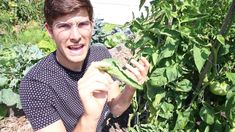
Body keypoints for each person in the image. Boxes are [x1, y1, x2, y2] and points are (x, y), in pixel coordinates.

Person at [19, 0, 149, 132]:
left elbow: (116, 109)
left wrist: (131, 86)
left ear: (91, 26)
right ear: (50, 31)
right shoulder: (35, 85)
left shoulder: (100, 55)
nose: (76, 36)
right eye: (64, 26)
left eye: (82, 24)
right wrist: (90, 115)